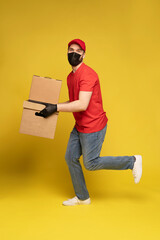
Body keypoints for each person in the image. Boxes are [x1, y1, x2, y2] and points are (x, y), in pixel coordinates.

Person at [35, 39, 142, 206]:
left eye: (78, 51)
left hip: (93, 125)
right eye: (71, 49)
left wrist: (55, 107)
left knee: (90, 163)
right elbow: (73, 102)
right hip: (80, 125)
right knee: (70, 157)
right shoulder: (71, 77)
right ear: (67, 52)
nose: (74, 53)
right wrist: (52, 108)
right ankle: (83, 197)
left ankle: (132, 161)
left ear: (84, 55)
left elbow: (82, 104)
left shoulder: (88, 75)